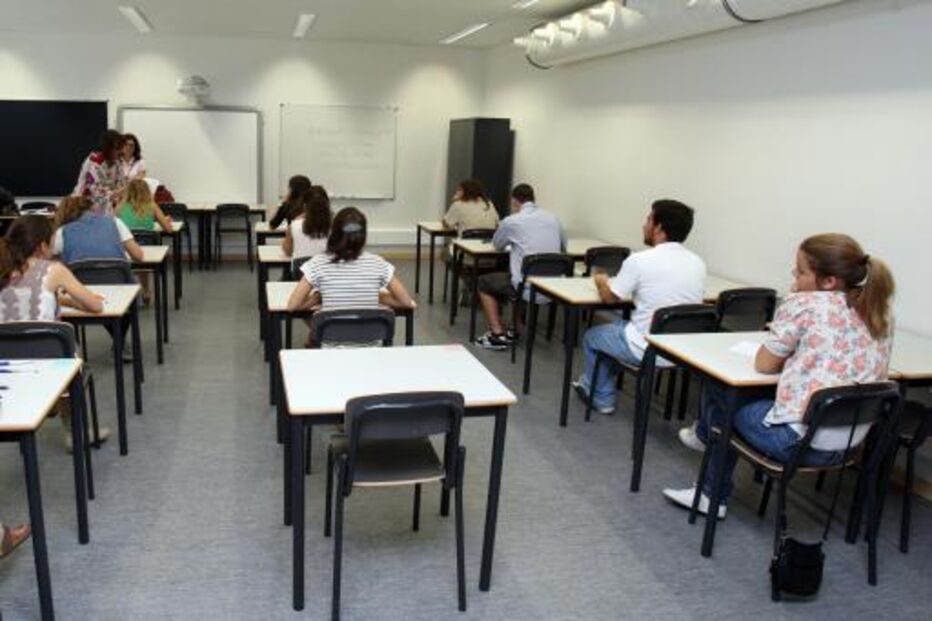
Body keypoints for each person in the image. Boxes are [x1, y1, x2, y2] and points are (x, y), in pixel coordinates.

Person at [662, 234, 895, 518]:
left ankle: (710, 488)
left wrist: (791, 316)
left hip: (794, 443)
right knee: (742, 397)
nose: (794, 276)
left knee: (722, 392)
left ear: (828, 281)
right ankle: (704, 435)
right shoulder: (878, 312)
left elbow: (764, 364)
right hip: (849, 445)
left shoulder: (804, 304)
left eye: (800, 271)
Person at [571, 199, 706, 413]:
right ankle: (596, 382)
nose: (644, 225)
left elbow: (609, 298)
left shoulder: (640, 260)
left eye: (648, 219)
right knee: (617, 328)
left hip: (647, 348)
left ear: (659, 227)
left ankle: (601, 397)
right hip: (681, 350)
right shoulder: (697, 263)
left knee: (592, 337)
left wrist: (600, 280)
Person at [0, 215, 109, 449]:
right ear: (42, 246)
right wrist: (73, 301)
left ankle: (42, 406)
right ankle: (73, 431)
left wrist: (62, 301)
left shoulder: (4, 269)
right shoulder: (53, 270)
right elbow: (95, 306)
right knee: (68, 354)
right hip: (50, 365)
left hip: (6, 366)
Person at [475, 183, 565, 351]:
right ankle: (514, 328)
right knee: (518, 274)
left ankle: (497, 333)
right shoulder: (553, 218)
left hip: (527, 286)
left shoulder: (511, 221)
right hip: (553, 288)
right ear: (533, 199)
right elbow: (563, 248)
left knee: (485, 282)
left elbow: (497, 245)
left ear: (515, 202)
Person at [287, 206, 415, 314]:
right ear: (364, 236)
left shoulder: (317, 263)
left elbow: (293, 306)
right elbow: (406, 302)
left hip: (332, 336)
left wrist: (316, 299)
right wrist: (378, 296)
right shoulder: (378, 264)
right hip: (370, 337)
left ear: (333, 233)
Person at [53, 196, 143, 264]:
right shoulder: (115, 222)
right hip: (117, 278)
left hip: (78, 281)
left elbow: (52, 263)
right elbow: (138, 256)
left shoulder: (62, 231)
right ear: (91, 207)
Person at [73, 129, 127, 214]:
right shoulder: (94, 161)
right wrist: (120, 192)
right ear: (108, 148)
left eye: (120, 148)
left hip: (105, 207)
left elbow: (121, 184)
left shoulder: (117, 163)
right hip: (86, 207)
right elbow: (96, 191)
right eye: (117, 148)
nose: (120, 151)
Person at [282, 185, 331, 258]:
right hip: (325, 265)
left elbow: (288, 251)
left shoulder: (295, 225)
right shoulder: (336, 226)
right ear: (327, 204)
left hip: (301, 265)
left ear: (304, 205)